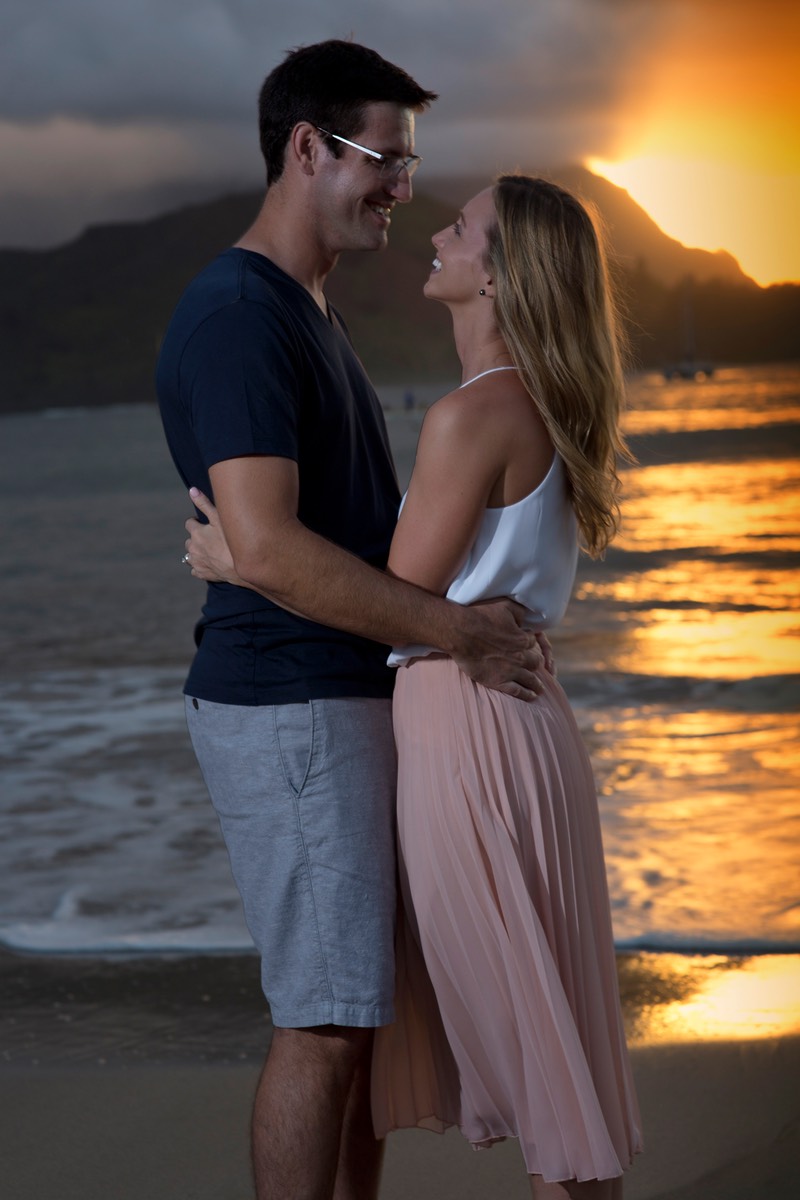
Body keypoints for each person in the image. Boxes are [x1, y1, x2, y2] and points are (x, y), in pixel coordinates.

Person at [186, 174, 643, 1196]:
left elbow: (396, 598)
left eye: (463, 228)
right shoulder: (536, 401)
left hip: (465, 730)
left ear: (499, 275)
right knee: (550, 1041)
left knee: (534, 1054)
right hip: (520, 723)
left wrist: (245, 560)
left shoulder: (470, 417)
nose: (439, 233)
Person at [157, 41, 543, 1200]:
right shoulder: (239, 315)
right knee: (324, 1021)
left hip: (335, 696)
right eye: (384, 158)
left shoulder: (304, 309)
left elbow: (281, 543)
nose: (402, 187)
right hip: (291, 706)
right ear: (305, 148)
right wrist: (458, 632)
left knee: (357, 1021)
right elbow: (270, 545)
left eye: (409, 164)